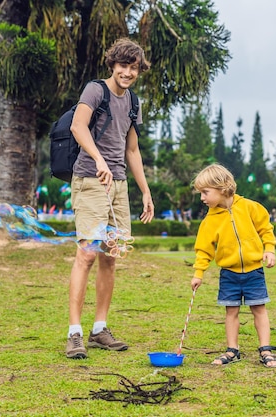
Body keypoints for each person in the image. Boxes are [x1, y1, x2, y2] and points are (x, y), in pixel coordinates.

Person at [65, 38, 155, 359]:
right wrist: (99, 160)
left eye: (133, 67)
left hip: (118, 186)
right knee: (86, 254)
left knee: (110, 256)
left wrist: (144, 191)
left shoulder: (133, 102)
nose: (127, 72)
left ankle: (99, 329)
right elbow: (78, 127)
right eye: (123, 66)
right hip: (90, 179)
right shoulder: (95, 90)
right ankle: (74, 333)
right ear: (112, 65)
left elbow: (132, 149)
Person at [190, 164, 276, 368]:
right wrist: (198, 273)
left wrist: (269, 249)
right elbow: (204, 250)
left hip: (254, 271)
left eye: (205, 192)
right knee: (231, 311)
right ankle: (232, 350)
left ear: (222, 188)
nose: (202, 198)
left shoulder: (250, 207)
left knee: (259, 308)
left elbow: (266, 229)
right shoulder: (209, 221)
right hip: (229, 274)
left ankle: (265, 349)